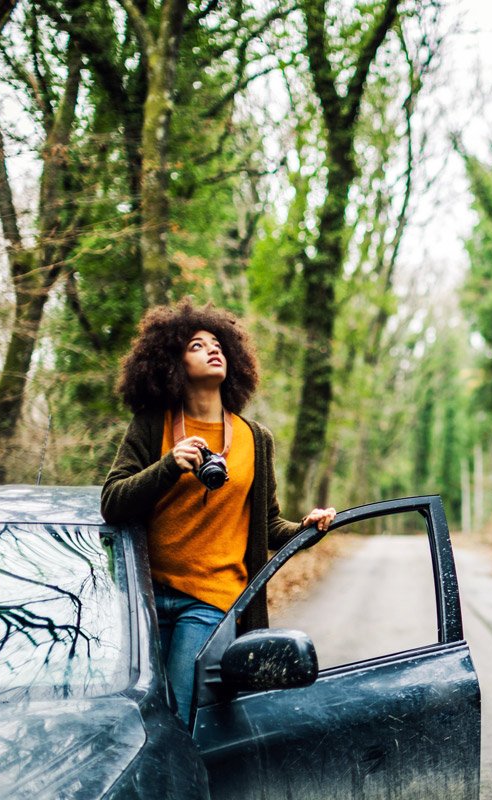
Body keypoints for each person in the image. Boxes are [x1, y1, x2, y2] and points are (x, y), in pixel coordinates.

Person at [101, 301, 335, 723]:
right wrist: (169, 465)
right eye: (196, 345)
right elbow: (113, 501)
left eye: (218, 345)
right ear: (171, 363)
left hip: (211, 600)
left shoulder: (254, 439)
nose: (213, 350)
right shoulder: (151, 426)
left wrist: (306, 528)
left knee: (178, 715)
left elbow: (267, 526)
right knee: (138, 714)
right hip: (146, 599)